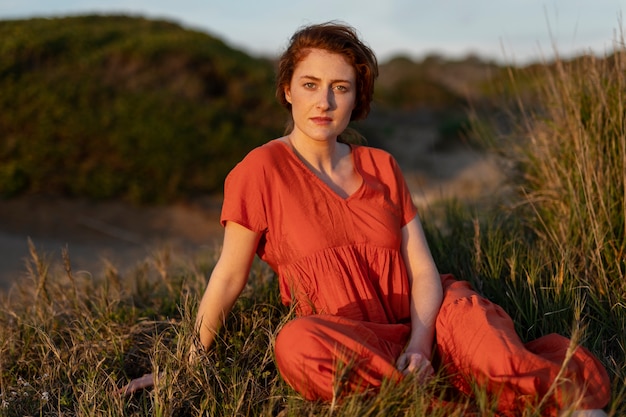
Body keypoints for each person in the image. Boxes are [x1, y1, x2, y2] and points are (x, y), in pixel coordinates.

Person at [120, 21, 611, 416]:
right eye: (310, 84)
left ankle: (566, 406)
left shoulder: (381, 165)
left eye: (341, 88)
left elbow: (422, 269)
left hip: (429, 318)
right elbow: (229, 275)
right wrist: (188, 362)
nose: (324, 102)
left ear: (357, 98)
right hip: (355, 339)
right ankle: (448, 405)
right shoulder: (259, 170)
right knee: (295, 345)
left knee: (490, 349)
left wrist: (421, 344)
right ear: (288, 89)